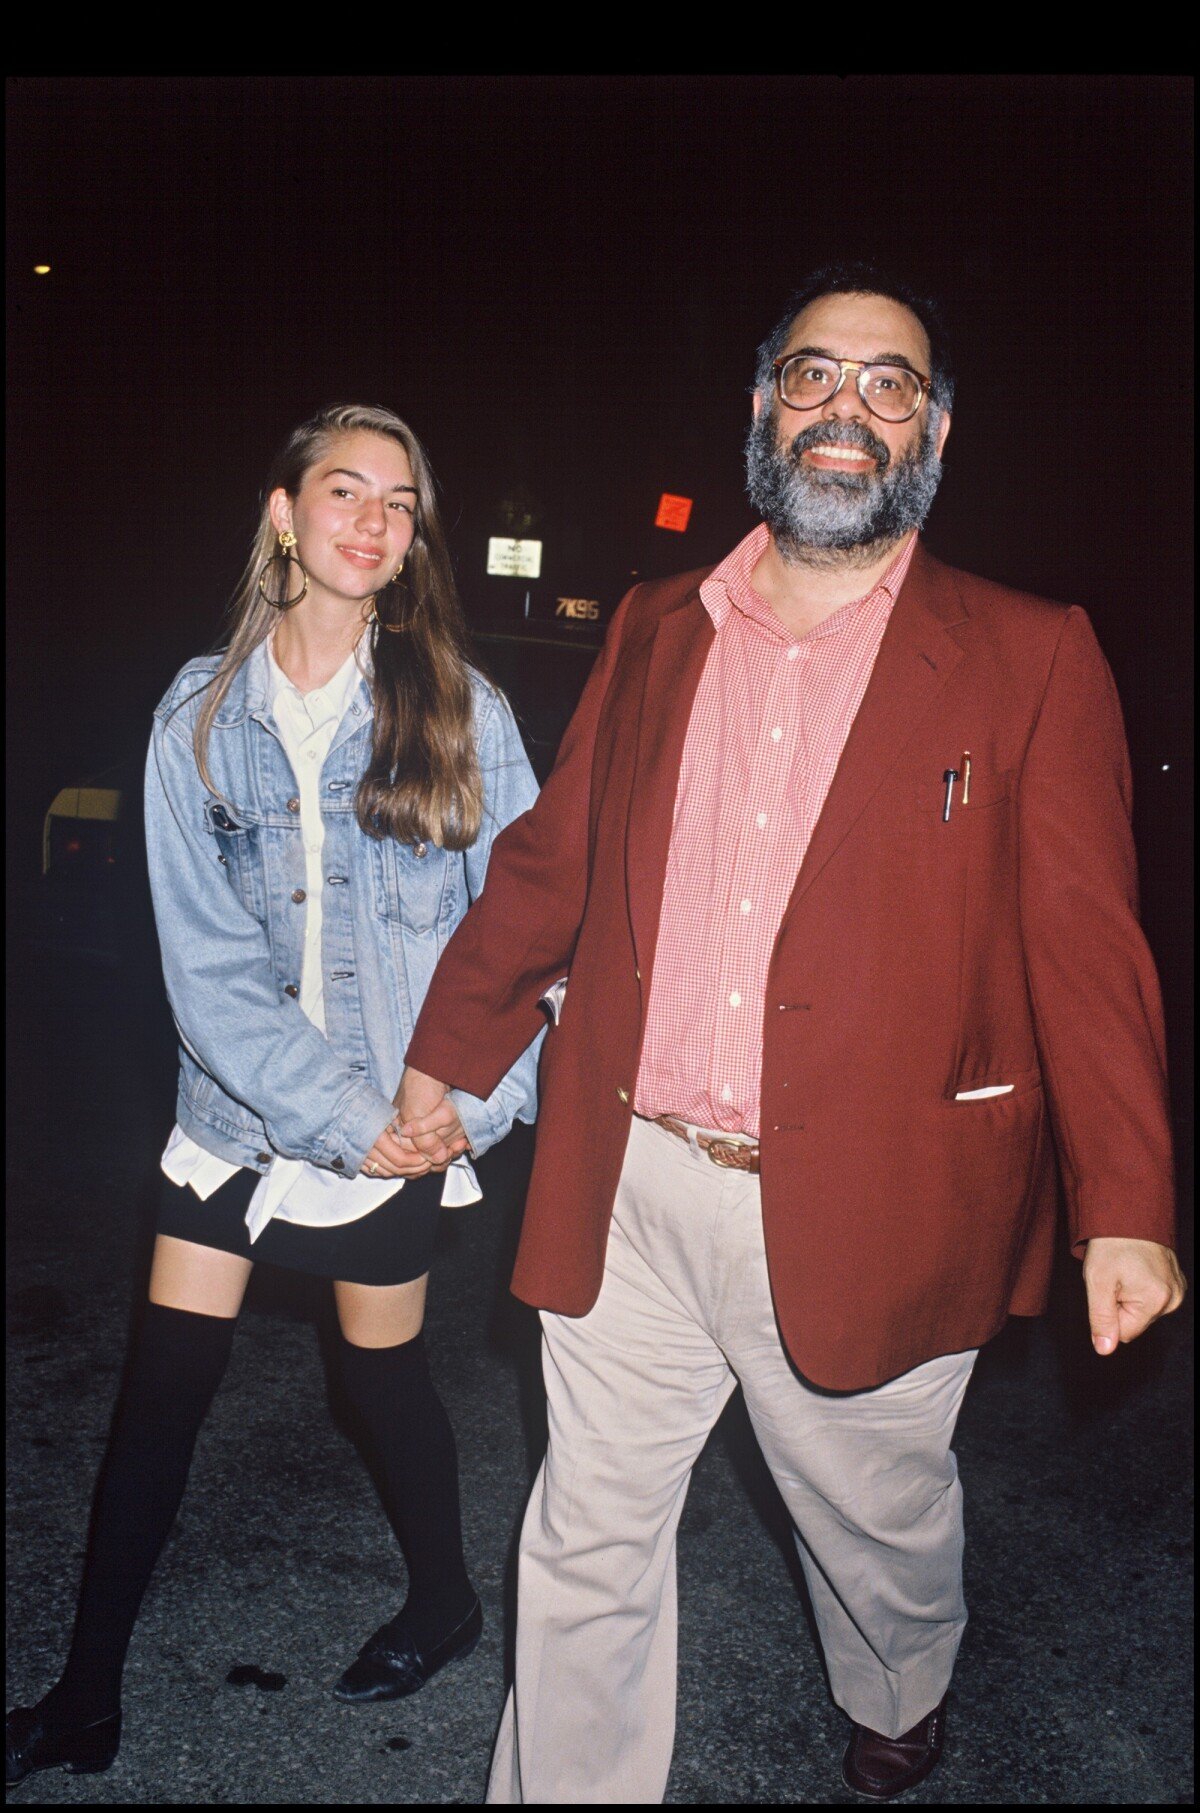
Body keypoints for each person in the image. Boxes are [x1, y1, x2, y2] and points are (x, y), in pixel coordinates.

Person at [393, 266, 1186, 1803]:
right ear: (765, 408)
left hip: (883, 1192)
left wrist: (1129, 1207)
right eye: (815, 375)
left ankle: (903, 1671)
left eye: (890, 385)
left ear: (934, 431)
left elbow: (1087, 949)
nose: (849, 409)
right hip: (628, 1180)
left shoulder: (1031, 653)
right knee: (588, 1529)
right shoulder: (654, 625)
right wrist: (454, 1049)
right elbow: (556, 861)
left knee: (874, 1521)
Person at [5, 404, 539, 1788]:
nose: (373, 520)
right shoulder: (198, 710)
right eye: (344, 490)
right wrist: (336, 1111)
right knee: (161, 1390)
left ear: (416, 537)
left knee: (381, 1382)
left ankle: (445, 1598)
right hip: (240, 1116)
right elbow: (205, 964)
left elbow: (531, 940)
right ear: (284, 514)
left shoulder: (461, 709)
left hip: (403, 1122)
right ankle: (84, 1689)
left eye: (401, 502)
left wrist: (458, 1112)